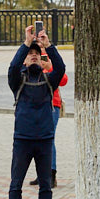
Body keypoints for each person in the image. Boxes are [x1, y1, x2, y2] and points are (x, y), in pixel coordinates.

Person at [8, 26, 66, 199]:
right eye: (30, 55)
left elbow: (60, 67)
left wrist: (47, 46)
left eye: (36, 54)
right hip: (22, 139)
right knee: (16, 184)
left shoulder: (49, 81)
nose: (33, 57)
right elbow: (13, 67)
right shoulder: (18, 81)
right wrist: (26, 43)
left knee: (45, 186)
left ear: (42, 61)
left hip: (44, 139)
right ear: (25, 59)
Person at [28, 50, 68, 189]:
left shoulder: (50, 58)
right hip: (34, 105)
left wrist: (49, 67)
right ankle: (42, 174)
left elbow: (63, 80)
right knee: (36, 139)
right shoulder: (29, 58)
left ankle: (51, 174)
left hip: (52, 104)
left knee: (49, 138)